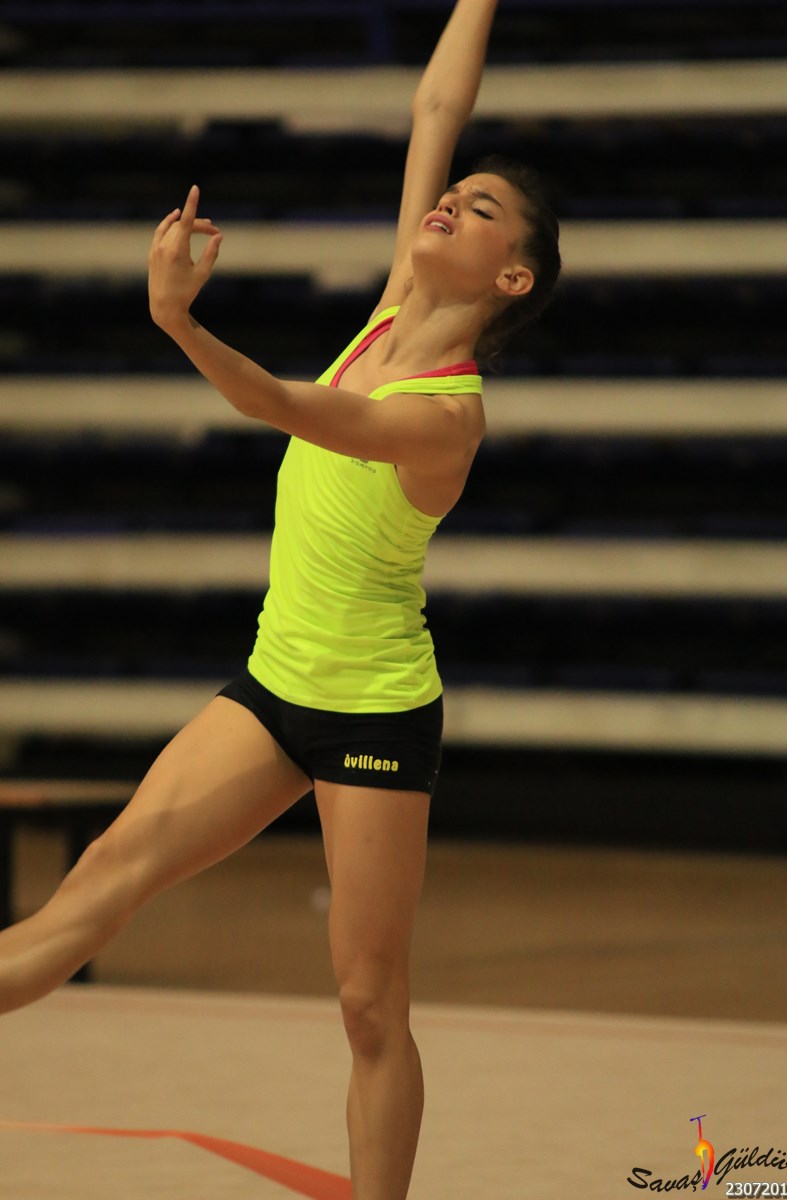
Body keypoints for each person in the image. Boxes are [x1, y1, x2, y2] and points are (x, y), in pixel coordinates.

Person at [0, 2, 560, 1197]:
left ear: (509, 275)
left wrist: (174, 319)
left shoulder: (446, 414)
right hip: (269, 690)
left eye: (479, 208)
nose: (446, 200)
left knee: (368, 1004)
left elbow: (280, 405)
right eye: (448, 193)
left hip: (373, 713)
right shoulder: (391, 309)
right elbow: (435, 104)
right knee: (94, 889)